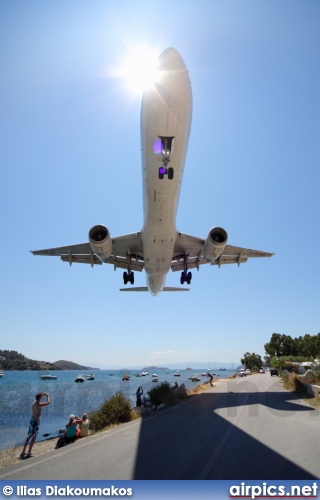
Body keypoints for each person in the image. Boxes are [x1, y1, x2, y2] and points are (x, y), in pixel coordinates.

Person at [20, 392, 51, 458]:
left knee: (28, 436)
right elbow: (48, 402)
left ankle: (23, 451)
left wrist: (42, 395)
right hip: (36, 422)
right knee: (34, 437)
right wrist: (47, 396)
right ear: (39, 398)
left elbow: (38, 398)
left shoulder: (33, 403)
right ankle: (29, 452)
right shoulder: (38, 405)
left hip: (31, 421)